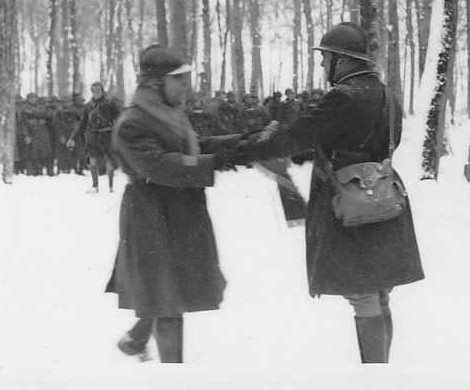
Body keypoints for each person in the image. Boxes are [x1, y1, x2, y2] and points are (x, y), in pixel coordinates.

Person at [233, 22, 424, 363]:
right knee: (379, 291)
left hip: (348, 201)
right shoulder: (386, 93)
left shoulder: (344, 96)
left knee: (363, 293)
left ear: (341, 59)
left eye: (325, 59)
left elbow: (301, 135)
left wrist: (250, 147)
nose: (322, 66)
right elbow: (380, 140)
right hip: (383, 195)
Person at [106, 45, 245, 363]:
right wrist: (217, 160)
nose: (186, 87)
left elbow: (192, 148)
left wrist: (242, 144)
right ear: (155, 84)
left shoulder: (169, 115)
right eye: (179, 80)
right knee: (167, 299)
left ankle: (138, 338)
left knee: (170, 289)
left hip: (180, 212)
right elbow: (160, 166)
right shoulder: (132, 121)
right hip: (151, 215)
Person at [68, 82, 123, 193]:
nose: (96, 93)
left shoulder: (111, 104)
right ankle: (95, 185)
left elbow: (119, 119)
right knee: (92, 160)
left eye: (98, 90)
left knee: (109, 161)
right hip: (93, 136)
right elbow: (82, 124)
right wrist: (73, 138)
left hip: (107, 135)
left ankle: (111, 185)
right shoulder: (88, 106)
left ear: (102, 91)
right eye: (94, 91)